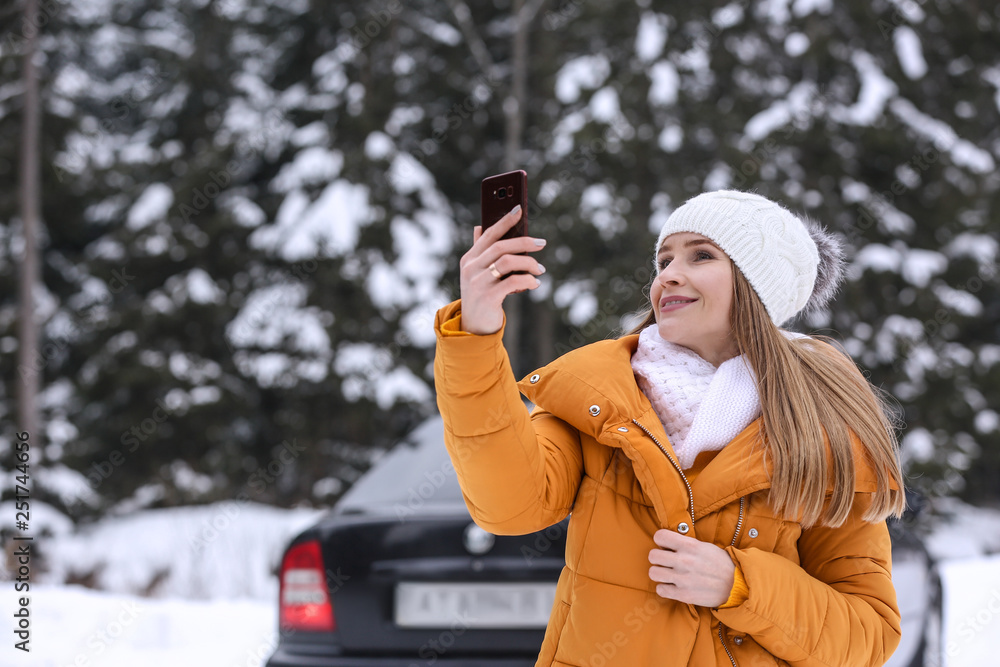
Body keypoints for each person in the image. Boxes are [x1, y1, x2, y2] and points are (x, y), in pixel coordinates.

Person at [433, 190, 906, 666]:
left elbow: (868, 635)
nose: (669, 274)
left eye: (701, 255)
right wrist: (475, 333)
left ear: (760, 286)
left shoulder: (820, 431)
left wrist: (740, 585)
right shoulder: (599, 400)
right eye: (664, 260)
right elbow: (508, 507)